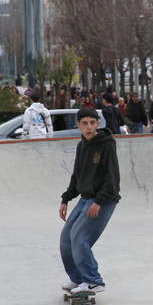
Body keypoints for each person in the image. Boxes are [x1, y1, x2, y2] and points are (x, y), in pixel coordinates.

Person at [59, 106, 121, 295]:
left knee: (79, 236)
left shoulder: (107, 144)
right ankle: (78, 279)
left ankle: (93, 281)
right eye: (84, 123)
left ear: (98, 124)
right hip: (85, 198)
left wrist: (99, 202)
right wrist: (66, 199)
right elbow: (77, 176)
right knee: (65, 239)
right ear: (78, 125)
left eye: (92, 123)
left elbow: (113, 178)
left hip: (104, 200)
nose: (89, 127)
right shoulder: (82, 145)